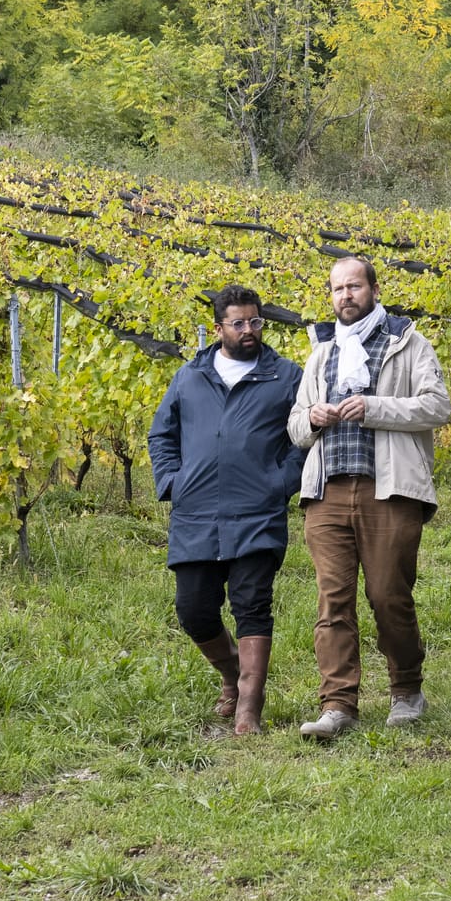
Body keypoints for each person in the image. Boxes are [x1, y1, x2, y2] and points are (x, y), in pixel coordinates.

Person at [290, 256, 451, 739]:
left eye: (354, 286)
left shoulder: (407, 343)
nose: (345, 296)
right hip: (327, 492)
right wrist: (312, 418)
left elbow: (437, 406)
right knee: (332, 601)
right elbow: (295, 425)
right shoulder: (320, 352)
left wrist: (375, 407)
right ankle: (338, 705)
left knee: (388, 596)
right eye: (337, 289)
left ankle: (406, 690)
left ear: (374, 290)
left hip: (390, 490)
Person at [147, 285, 305, 736]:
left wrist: (280, 483)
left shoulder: (285, 376)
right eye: (238, 323)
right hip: (195, 512)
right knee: (193, 609)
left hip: (257, 512)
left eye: (255, 321)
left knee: (252, 604)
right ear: (218, 329)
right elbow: (162, 434)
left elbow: (303, 437)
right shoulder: (190, 376)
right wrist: (171, 481)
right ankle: (232, 675)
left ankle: (249, 710)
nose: (249, 330)